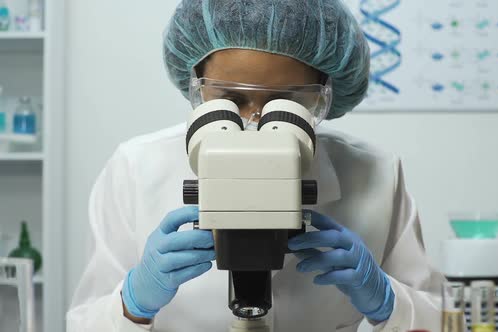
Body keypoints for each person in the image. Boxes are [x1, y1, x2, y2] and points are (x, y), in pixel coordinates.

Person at [66, 0, 445, 331]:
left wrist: (388, 302)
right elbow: (84, 324)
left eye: (284, 101)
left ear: (323, 97)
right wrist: (132, 306)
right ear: (195, 84)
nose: (254, 120)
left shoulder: (374, 172)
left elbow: (442, 320)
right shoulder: (136, 167)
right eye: (229, 98)